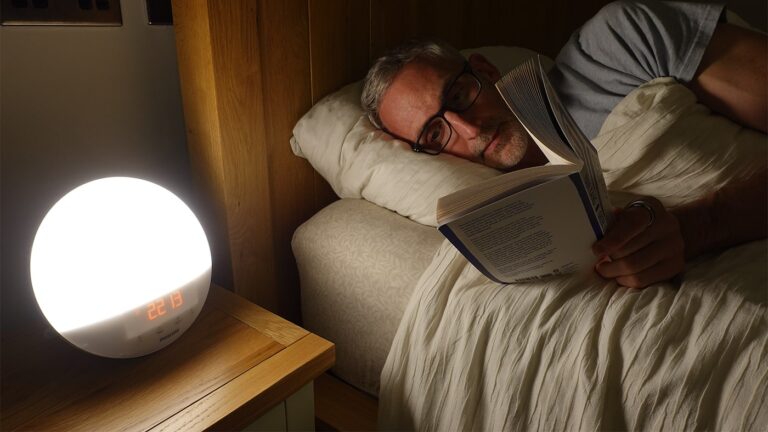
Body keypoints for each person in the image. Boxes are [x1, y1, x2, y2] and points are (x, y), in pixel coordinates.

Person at [360, 0, 767, 288]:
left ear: (484, 69)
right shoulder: (500, 218)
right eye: (435, 133)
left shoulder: (618, 42)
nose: (468, 130)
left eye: (459, 95)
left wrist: (702, 225)